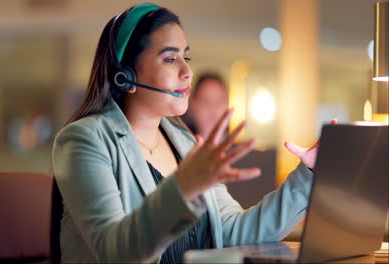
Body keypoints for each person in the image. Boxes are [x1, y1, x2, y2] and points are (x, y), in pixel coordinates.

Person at [52, 3, 326, 263]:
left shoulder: (185, 143)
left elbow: (234, 233)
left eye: (187, 56)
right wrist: (183, 187)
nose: (187, 71)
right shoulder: (84, 140)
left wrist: (307, 174)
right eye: (171, 58)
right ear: (127, 75)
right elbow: (116, 253)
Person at [181, 72, 229, 139]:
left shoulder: (242, 148)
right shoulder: (176, 146)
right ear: (192, 105)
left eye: (219, 101)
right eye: (205, 101)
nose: (213, 107)